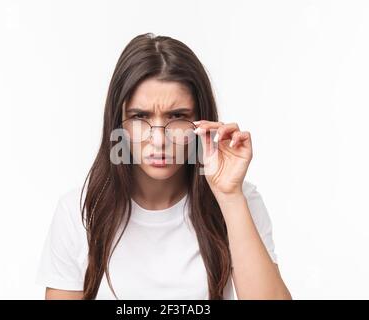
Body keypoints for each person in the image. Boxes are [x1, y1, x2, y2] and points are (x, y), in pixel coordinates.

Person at [36, 33, 291, 300]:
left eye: (177, 116)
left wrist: (229, 196)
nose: (158, 140)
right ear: (118, 122)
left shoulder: (240, 200)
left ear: (201, 120)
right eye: (139, 116)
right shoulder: (79, 211)